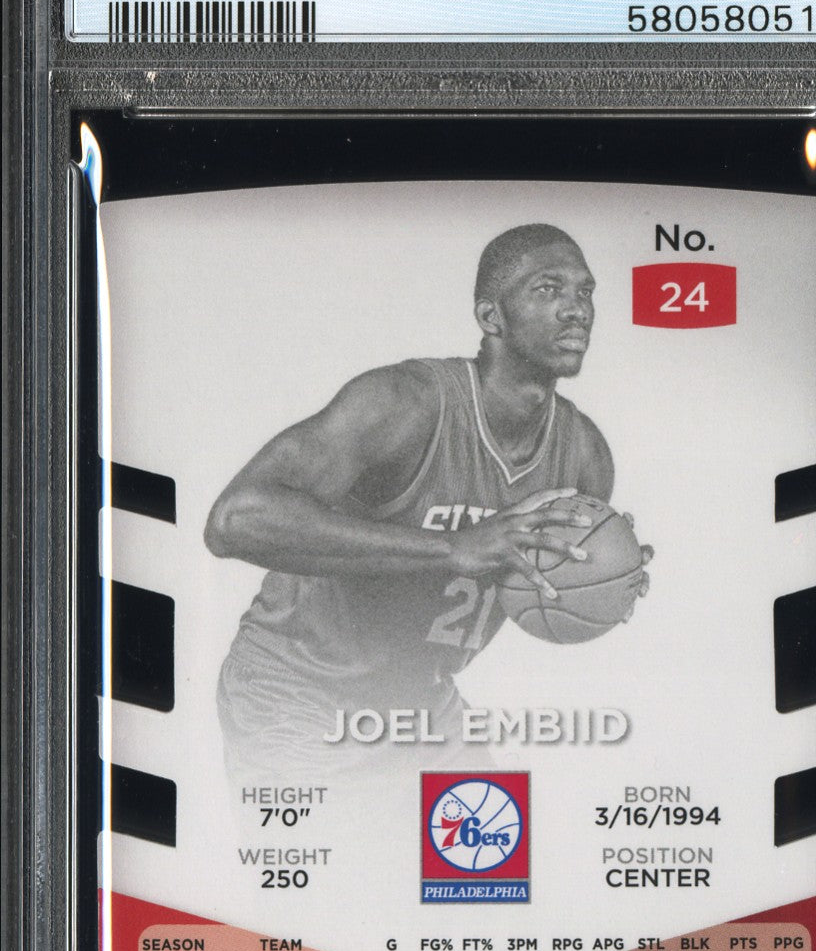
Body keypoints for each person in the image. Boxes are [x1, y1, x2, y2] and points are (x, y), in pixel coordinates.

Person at [205, 223, 621, 788]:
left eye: (585, 291)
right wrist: (453, 547)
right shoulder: (406, 403)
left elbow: (534, 590)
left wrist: (603, 575)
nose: (577, 310)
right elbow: (234, 520)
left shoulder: (585, 455)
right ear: (491, 316)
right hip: (297, 691)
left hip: (422, 706)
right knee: (339, 850)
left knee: (496, 847)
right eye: (548, 289)